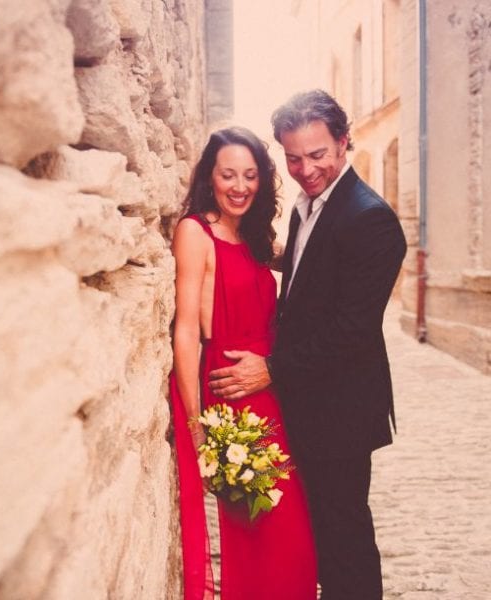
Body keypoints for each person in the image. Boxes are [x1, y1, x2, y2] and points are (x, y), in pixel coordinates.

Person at [208, 90, 407, 600]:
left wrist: (271, 368)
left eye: (318, 154)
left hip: (340, 408)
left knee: (344, 541)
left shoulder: (371, 218)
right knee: (316, 537)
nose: (306, 168)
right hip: (304, 403)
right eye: (293, 157)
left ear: (344, 142)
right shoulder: (306, 207)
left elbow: (351, 328)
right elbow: (308, 277)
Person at [170, 126, 317, 600]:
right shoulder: (196, 233)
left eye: (250, 176)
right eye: (228, 174)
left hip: (273, 395)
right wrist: (195, 425)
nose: (240, 186)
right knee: (253, 534)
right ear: (209, 178)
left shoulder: (254, 236)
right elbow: (187, 329)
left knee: (292, 540)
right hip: (231, 401)